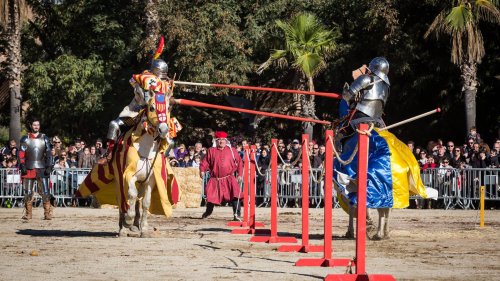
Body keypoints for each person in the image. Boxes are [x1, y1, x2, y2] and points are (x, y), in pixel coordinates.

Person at [105, 47, 172, 159]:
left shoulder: (164, 86)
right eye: (161, 74)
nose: (162, 78)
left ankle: (163, 159)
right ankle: (110, 152)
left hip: (155, 114)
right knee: (114, 125)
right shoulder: (143, 79)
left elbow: (165, 99)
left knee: (169, 136)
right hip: (136, 111)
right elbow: (134, 84)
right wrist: (139, 85)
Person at [200, 131, 243, 221]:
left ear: (226, 141)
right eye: (219, 140)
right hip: (215, 179)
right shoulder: (211, 151)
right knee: (211, 196)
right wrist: (202, 170)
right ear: (216, 141)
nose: (221, 141)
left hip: (229, 178)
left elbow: (239, 162)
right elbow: (205, 162)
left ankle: (237, 214)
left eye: (223, 140)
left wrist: (240, 174)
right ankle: (208, 211)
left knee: (235, 195)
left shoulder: (232, 151)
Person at [19, 119, 53, 220]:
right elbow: (21, 153)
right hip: (29, 167)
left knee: (45, 192)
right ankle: (28, 214)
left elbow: (48, 153)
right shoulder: (25, 138)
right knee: (28, 192)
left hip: (42, 167)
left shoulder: (45, 138)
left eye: (38, 125)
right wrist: (22, 165)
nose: (36, 127)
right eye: (34, 125)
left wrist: (49, 165)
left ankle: (47, 213)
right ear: (31, 126)